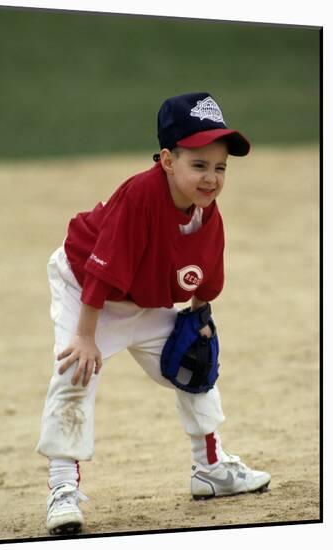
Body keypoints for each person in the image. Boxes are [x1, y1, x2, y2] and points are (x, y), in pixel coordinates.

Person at [36, 92, 271, 535]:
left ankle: (211, 468)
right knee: (74, 372)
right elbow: (101, 271)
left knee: (195, 367)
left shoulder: (207, 214)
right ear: (167, 160)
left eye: (220, 167)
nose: (211, 178)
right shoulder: (141, 195)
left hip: (142, 299)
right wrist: (86, 336)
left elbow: (203, 283)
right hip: (87, 291)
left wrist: (199, 324)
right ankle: (62, 489)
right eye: (198, 165)